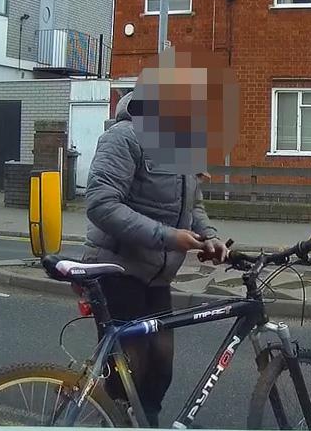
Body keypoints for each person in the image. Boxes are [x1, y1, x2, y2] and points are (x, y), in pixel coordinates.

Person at [84, 91, 229, 427]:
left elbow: (193, 207)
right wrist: (168, 237)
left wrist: (210, 237)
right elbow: (101, 204)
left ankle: (144, 423)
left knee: (161, 366)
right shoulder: (123, 137)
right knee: (128, 371)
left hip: (157, 277)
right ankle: (114, 420)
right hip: (117, 269)